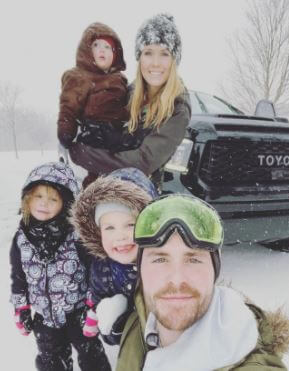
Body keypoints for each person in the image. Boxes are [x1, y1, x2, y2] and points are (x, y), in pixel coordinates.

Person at [115, 194, 289, 371]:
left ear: (214, 272)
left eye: (194, 259)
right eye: (160, 259)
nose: (177, 279)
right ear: (140, 270)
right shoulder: (138, 321)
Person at [68, 13, 191, 190]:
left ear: (174, 60)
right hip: (107, 186)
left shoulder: (178, 106)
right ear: (139, 57)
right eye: (148, 53)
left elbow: (142, 162)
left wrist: (83, 153)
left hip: (142, 194)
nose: (155, 63)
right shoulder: (129, 91)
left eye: (164, 54)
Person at [9, 162, 111, 371]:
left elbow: (95, 272)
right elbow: (18, 276)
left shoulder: (76, 236)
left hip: (78, 312)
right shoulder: (21, 239)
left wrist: (93, 307)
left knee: (91, 356)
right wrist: (21, 307)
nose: (44, 204)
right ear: (28, 198)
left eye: (52, 198)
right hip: (45, 317)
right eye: (38, 196)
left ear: (65, 203)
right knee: (50, 361)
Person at [70, 167, 158, 344]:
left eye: (130, 225)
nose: (120, 236)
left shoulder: (162, 262)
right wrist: (113, 330)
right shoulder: (102, 268)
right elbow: (98, 301)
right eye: (110, 228)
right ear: (98, 233)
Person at [57, 22, 129, 187]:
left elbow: (128, 104)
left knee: (119, 175)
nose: (102, 49)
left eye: (107, 47)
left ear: (115, 54)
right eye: (96, 45)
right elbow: (69, 106)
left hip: (118, 133)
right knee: (96, 176)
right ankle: (90, 200)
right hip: (94, 132)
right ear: (87, 51)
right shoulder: (79, 76)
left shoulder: (120, 79)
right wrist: (66, 131)